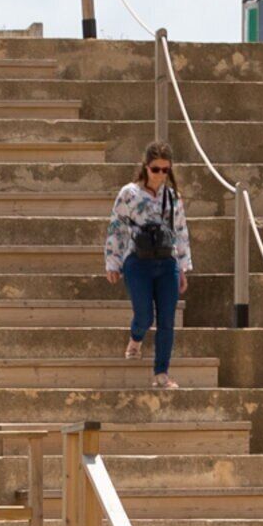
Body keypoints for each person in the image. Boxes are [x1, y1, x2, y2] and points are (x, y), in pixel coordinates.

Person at [97, 143, 192, 390]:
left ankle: (161, 373)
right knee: (144, 315)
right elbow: (116, 227)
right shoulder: (129, 193)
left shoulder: (172, 197)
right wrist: (112, 262)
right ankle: (136, 338)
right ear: (146, 167)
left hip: (166, 262)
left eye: (164, 170)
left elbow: (180, 232)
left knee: (167, 320)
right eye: (155, 169)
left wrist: (183, 268)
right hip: (137, 261)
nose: (159, 174)